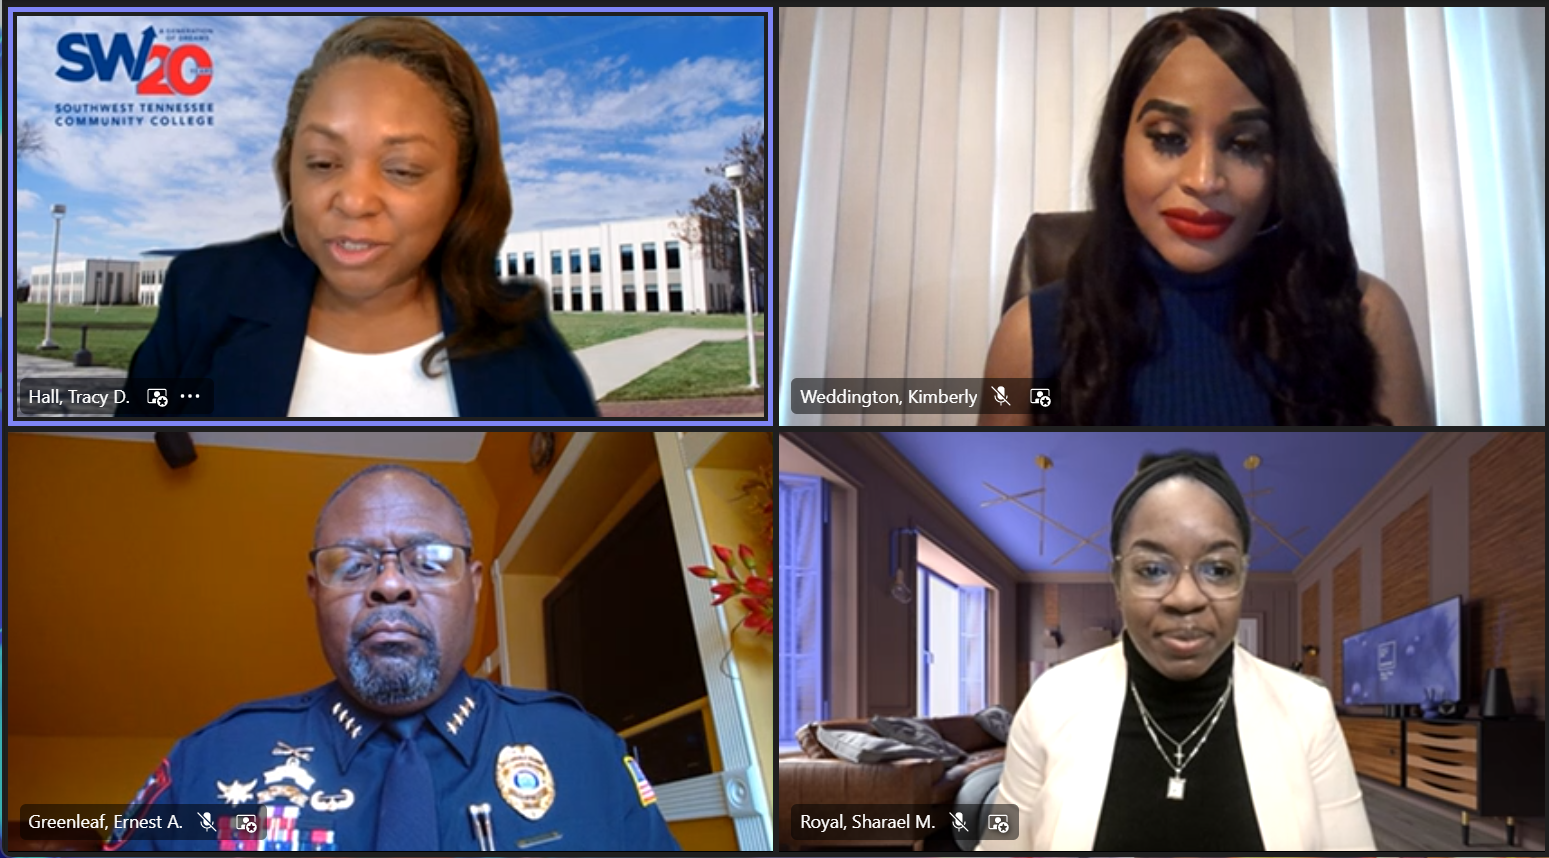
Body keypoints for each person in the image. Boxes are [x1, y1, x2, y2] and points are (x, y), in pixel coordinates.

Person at [106, 464, 678, 851]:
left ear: (475, 585)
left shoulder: (586, 750)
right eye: (351, 564)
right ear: (315, 592)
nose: (388, 584)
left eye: (428, 559)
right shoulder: (207, 765)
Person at [117, 17, 597, 418]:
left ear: (462, 188)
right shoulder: (203, 295)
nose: (353, 201)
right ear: (290, 166)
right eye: (323, 163)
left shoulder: (521, 338)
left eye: (402, 170)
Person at [981, 8, 1431, 426]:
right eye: (1169, 138)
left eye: (1244, 145)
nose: (1204, 179)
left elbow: (1416, 508)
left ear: (1283, 163)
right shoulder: (1029, 340)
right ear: (1120, 150)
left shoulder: (1368, 319)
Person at [982, 451, 1375, 850]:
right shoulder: (1049, 700)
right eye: (1153, 569)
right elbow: (998, 840)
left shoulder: (1308, 710)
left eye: (1217, 569)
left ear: (1242, 579)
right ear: (1118, 583)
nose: (1185, 598)